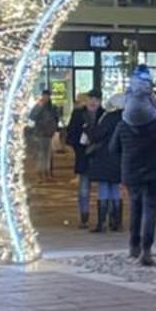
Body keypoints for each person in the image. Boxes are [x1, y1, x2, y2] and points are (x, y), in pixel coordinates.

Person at [120, 70, 156, 265]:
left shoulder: (124, 122)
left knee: (135, 207)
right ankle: (146, 250)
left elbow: (113, 148)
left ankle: (133, 246)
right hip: (153, 172)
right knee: (150, 209)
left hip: (131, 172)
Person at [86, 93, 125, 233]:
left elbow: (98, 135)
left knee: (103, 188)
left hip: (105, 156)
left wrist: (89, 131)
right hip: (121, 157)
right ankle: (117, 222)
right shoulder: (128, 118)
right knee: (116, 188)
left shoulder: (109, 117)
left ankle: (101, 223)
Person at [65, 90, 100, 227]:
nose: (93, 102)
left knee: (103, 189)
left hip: (100, 157)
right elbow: (71, 134)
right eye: (91, 99)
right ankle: (84, 216)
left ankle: (104, 217)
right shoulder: (78, 114)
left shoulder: (104, 114)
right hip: (84, 155)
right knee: (84, 189)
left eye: (96, 99)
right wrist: (79, 144)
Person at [29, 90, 61, 179]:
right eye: (45, 96)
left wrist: (55, 128)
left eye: (47, 96)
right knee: (42, 154)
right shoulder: (39, 106)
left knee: (48, 154)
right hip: (40, 133)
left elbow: (56, 118)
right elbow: (32, 116)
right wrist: (39, 106)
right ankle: (41, 172)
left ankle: (47, 172)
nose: (46, 98)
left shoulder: (52, 107)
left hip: (49, 133)